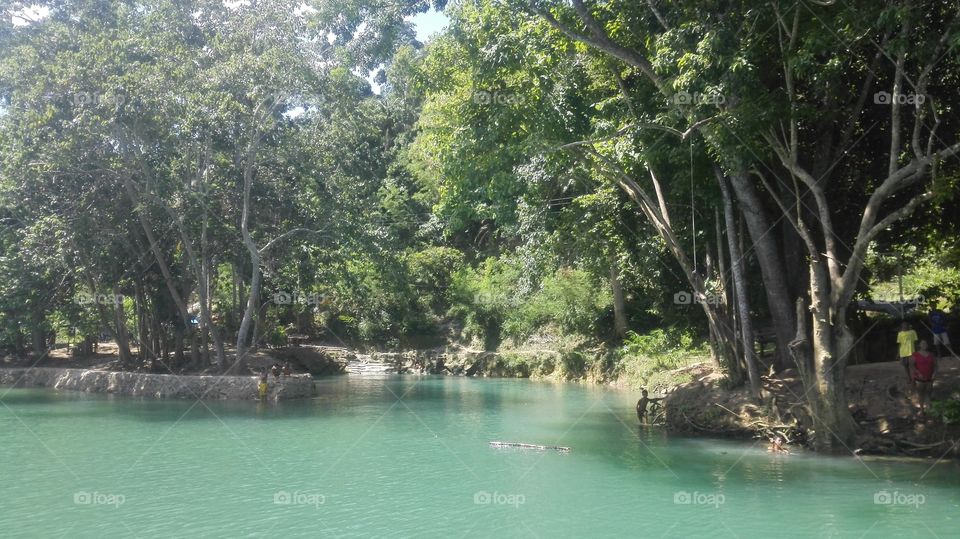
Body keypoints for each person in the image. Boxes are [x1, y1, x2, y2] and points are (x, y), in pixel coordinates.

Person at [910, 340, 937, 416]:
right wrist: (918, 373)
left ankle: (930, 408)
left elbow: (936, 366)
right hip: (919, 378)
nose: (924, 345)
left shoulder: (931, 355)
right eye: (922, 344)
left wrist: (934, 374)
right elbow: (912, 366)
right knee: (921, 394)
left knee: (929, 393)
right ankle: (922, 410)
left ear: (927, 345)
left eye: (925, 343)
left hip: (930, 377)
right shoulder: (915, 354)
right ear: (919, 345)